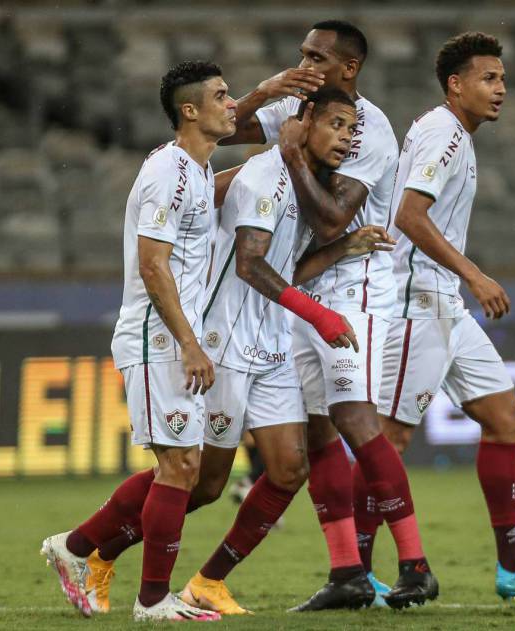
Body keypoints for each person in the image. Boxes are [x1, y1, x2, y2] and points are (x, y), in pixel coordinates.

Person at [364, 32, 515, 600]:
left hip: (443, 305)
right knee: (390, 438)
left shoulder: (451, 133)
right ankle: (354, 570)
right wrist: (475, 273)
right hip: (417, 302)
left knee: (504, 417)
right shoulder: (444, 133)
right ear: (455, 85)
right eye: (489, 79)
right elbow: (411, 216)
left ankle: (514, 565)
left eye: (503, 79)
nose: (501, 90)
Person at [225, 20, 437, 610]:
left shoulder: (367, 131)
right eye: (301, 52)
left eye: (316, 55)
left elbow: (330, 223)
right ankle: (346, 572)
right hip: (306, 286)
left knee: (351, 416)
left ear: (349, 68)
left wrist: (291, 152)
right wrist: (265, 93)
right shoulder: (297, 104)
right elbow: (220, 128)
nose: (304, 61)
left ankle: (415, 565)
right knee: (318, 430)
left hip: (357, 290)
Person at [177, 88, 399, 615]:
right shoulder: (261, 175)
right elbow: (249, 266)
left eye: (352, 130)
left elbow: (289, 268)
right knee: (203, 484)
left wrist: (345, 247)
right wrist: (320, 315)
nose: (347, 138)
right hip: (228, 342)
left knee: (287, 469)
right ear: (302, 123)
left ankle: (208, 582)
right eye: (337, 126)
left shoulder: (304, 186)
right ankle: (94, 542)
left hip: (271, 345)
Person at [39, 60, 235, 622]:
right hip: (157, 338)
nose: (232, 103)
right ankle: (151, 601)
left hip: (175, 338)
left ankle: (74, 548)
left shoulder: (197, 171)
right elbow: (153, 265)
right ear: (190, 110)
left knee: (184, 467)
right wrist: (189, 343)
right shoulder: (169, 174)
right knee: (179, 468)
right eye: (221, 96)